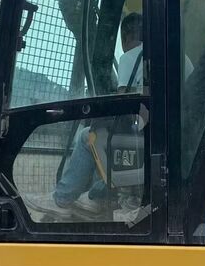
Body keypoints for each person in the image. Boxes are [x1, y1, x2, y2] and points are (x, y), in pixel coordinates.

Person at [29, 13, 145, 220]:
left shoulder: (131, 57)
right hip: (164, 140)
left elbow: (120, 109)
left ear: (126, 37)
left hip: (140, 140)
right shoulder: (184, 59)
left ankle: (62, 199)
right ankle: (97, 195)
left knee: (88, 136)